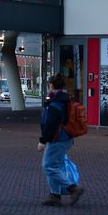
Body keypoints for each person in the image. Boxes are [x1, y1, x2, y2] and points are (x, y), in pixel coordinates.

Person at [37, 73, 83, 206]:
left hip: (58, 139)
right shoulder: (64, 100)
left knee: (48, 166)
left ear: (51, 85)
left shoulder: (55, 103)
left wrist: (43, 140)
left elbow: (50, 124)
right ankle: (55, 195)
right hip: (65, 138)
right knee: (57, 165)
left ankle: (73, 188)